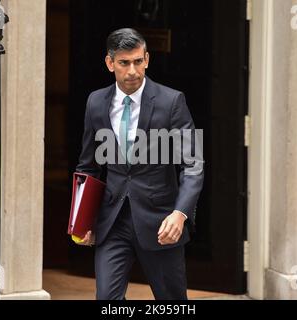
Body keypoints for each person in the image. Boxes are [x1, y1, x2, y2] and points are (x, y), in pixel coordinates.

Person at [75, 28, 204, 300]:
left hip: (162, 223)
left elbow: (193, 164)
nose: (132, 70)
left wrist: (180, 214)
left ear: (146, 59)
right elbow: (88, 166)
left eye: (138, 61)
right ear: (110, 63)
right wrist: (82, 219)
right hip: (112, 222)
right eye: (124, 63)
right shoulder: (96, 102)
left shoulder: (172, 101)